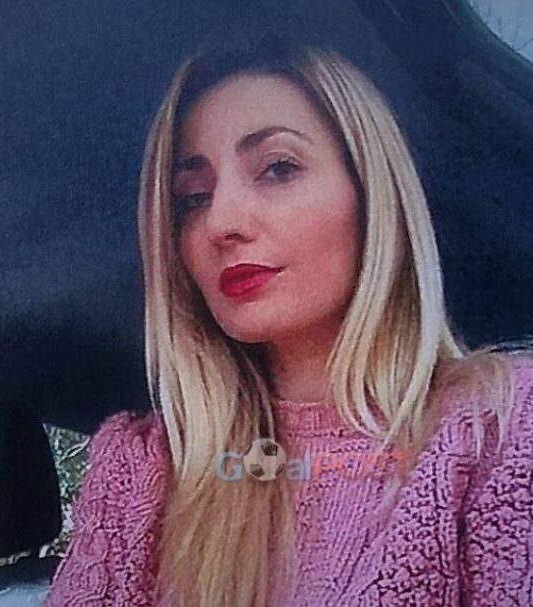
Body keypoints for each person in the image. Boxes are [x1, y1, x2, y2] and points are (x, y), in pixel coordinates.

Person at [43, 41, 533, 607]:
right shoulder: (141, 472)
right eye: (193, 199)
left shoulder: (501, 427)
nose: (221, 223)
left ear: (371, 194)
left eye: (278, 168)